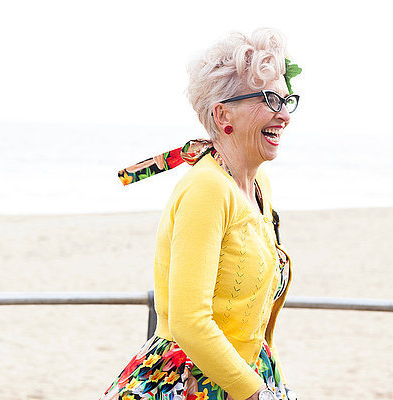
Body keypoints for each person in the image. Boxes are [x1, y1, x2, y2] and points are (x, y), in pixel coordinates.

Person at [106, 28, 301, 400]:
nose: (284, 115)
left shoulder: (259, 186)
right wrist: (255, 393)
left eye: (286, 99)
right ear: (223, 113)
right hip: (191, 383)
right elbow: (189, 323)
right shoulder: (207, 190)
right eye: (269, 99)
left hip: (244, 375)